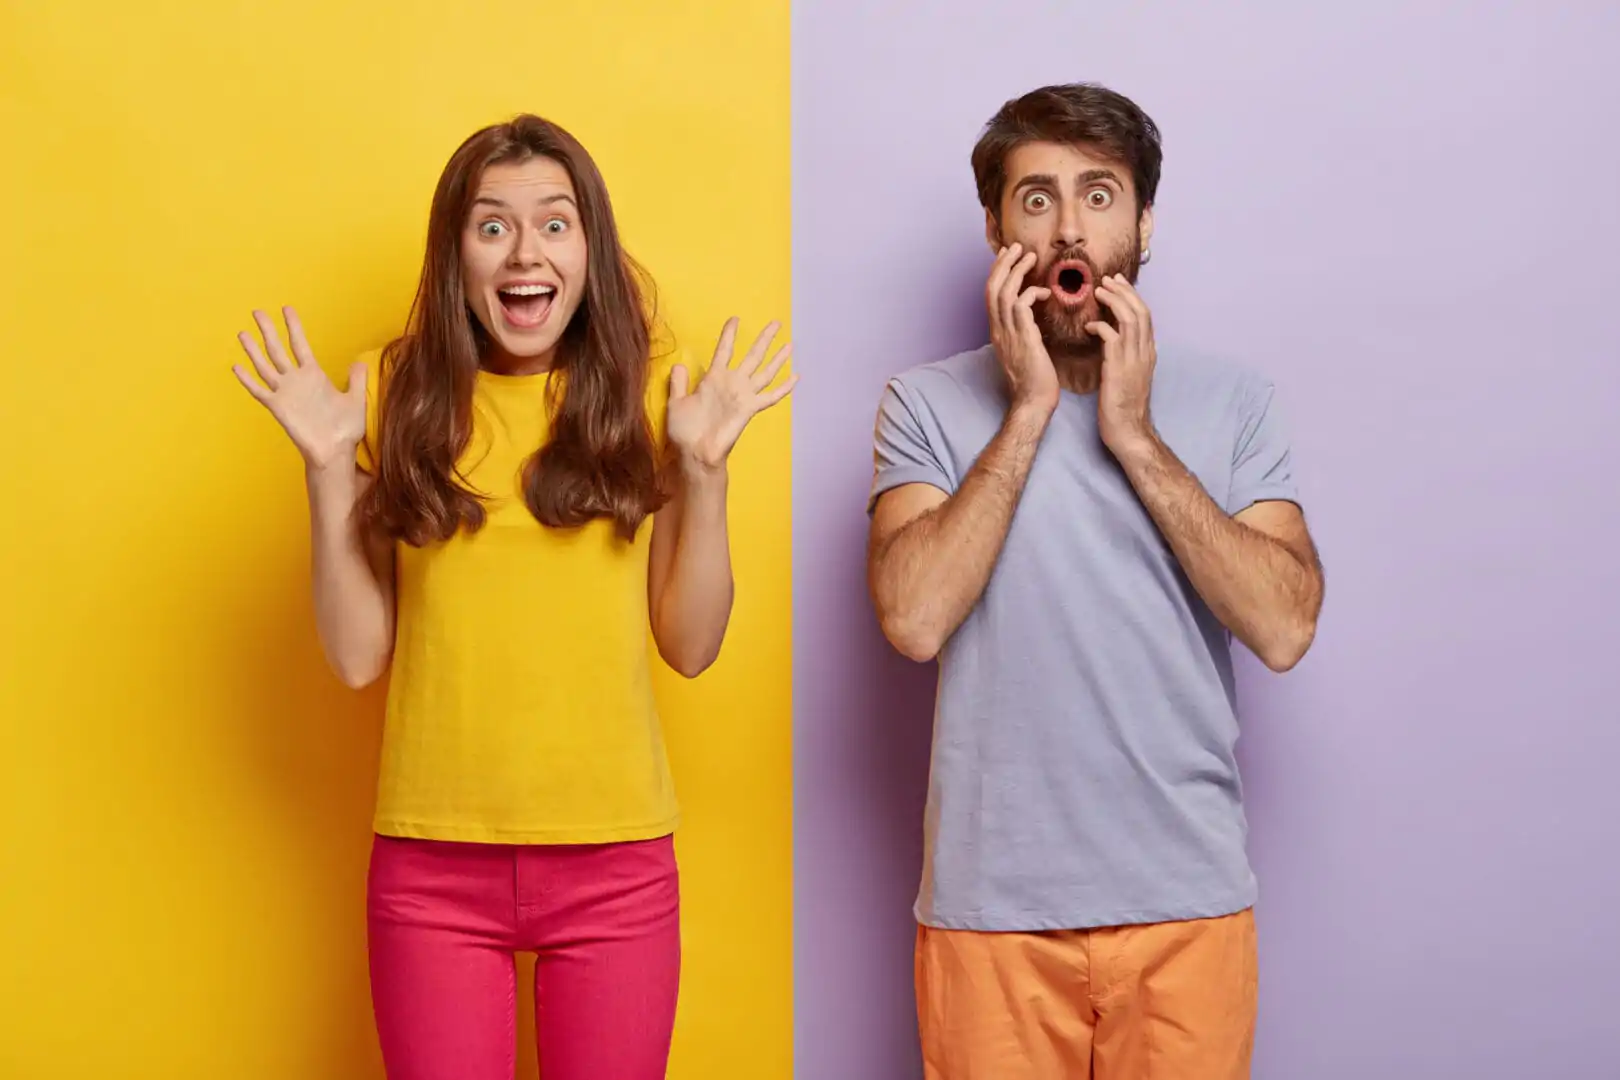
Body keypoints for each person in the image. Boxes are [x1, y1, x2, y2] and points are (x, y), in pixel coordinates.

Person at [231, 114, 794, 1080]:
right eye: (492, 225)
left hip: (616, 866)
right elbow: (359, 655)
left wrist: (704, 473)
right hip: (431, 870)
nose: (524, 252)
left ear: (590, 247)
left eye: (554, 223)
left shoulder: (649, 405)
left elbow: (692, 644)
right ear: (455, 254)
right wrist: (328, 472)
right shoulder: (398, 403)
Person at [865, 83, 1324, 1079]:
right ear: (996, 226)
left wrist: (1132, 435)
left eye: (1100, 195)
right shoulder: (925, 404)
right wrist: (1030, 413)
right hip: (991, 915)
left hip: (1187, 905)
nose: (1069, 224)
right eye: (1036, 198)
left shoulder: (1235, 403)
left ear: (1144, 222)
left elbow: (1285, 627)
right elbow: (912, 616)